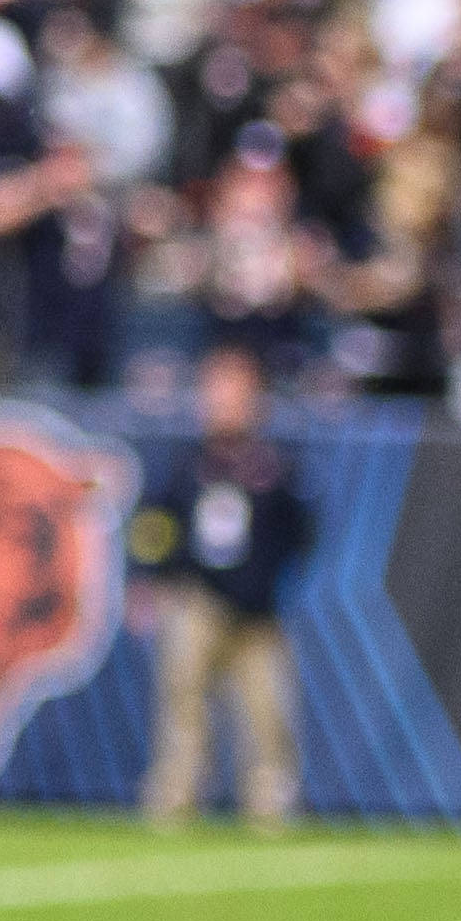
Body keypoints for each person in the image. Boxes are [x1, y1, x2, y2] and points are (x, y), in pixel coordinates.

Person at [125, 344, 316, 828]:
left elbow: (300, 533)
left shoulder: (275, 469)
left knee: (268, 712)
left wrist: (268, 579)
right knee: (183, 701)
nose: (223, 402)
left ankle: (271, 800)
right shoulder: (187, 464)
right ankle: (177, 796)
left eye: (234, 392)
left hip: (258, 612)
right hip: (199, 601)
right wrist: (153, 580)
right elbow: (153, 527)